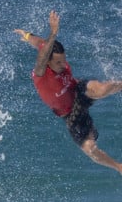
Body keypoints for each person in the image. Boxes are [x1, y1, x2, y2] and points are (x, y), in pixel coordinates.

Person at [14, 10, 122, 174]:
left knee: (103, 89)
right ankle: (119, 167)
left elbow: (39, 43)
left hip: (77, 90)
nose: (64, 64)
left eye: (64, 60)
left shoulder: (54, 56)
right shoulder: (41, 74)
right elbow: (42, 54)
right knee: (90, 149)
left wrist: (27, 35)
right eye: (58, 62)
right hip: (70, 113)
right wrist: (53, 32)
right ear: (48, 62)